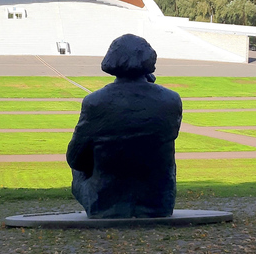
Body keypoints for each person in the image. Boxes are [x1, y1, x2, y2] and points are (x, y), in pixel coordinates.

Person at [66, 34, 182, 218]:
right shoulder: (171, 100)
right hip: (158, 203)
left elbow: (75, 159)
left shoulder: (94, 102)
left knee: (82, 163)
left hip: (104, 204)